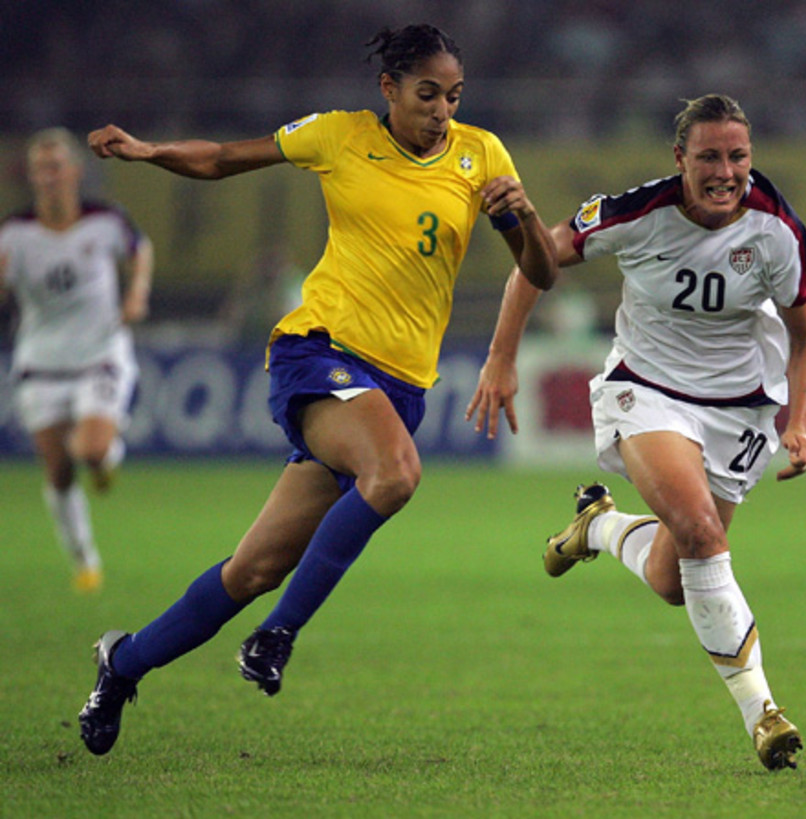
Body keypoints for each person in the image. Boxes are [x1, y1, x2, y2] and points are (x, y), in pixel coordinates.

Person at [77, 23, 557, 756]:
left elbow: (543, 270)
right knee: (395, 473)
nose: (441, 109)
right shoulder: (339, 136)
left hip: (399, 387)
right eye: (427, 93)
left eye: (453, 95)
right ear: (388, 88)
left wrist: (521, 214)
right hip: (318, 350)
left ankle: (123, 663)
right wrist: (149, 152)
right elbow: (226, 158)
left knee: (255, 568)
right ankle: (278, 635)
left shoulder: (481, 154)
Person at [467, 94, 806, 771]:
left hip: (740, 410)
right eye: (710, 157)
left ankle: (597, 526)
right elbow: (539, 259)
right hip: (648, 392)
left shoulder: (776, 228)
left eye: (738, 156)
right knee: (701, 531)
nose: (726, 172)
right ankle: (764, 713)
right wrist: (502, 355)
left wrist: (802, 423)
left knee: (672, 575)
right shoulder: (636, 213)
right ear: (679, 158)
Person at [0, 127, 154, 594]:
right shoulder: (15, 233)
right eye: (39, 170)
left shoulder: (106, 220)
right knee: (59, 467)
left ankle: (107, 456)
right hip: (40, 359)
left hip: (100, 352)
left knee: (87, 450)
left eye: (55, 167)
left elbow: (140, 249)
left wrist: (136, 293)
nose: (47, 178)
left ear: (74, 172)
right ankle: (85, 562)